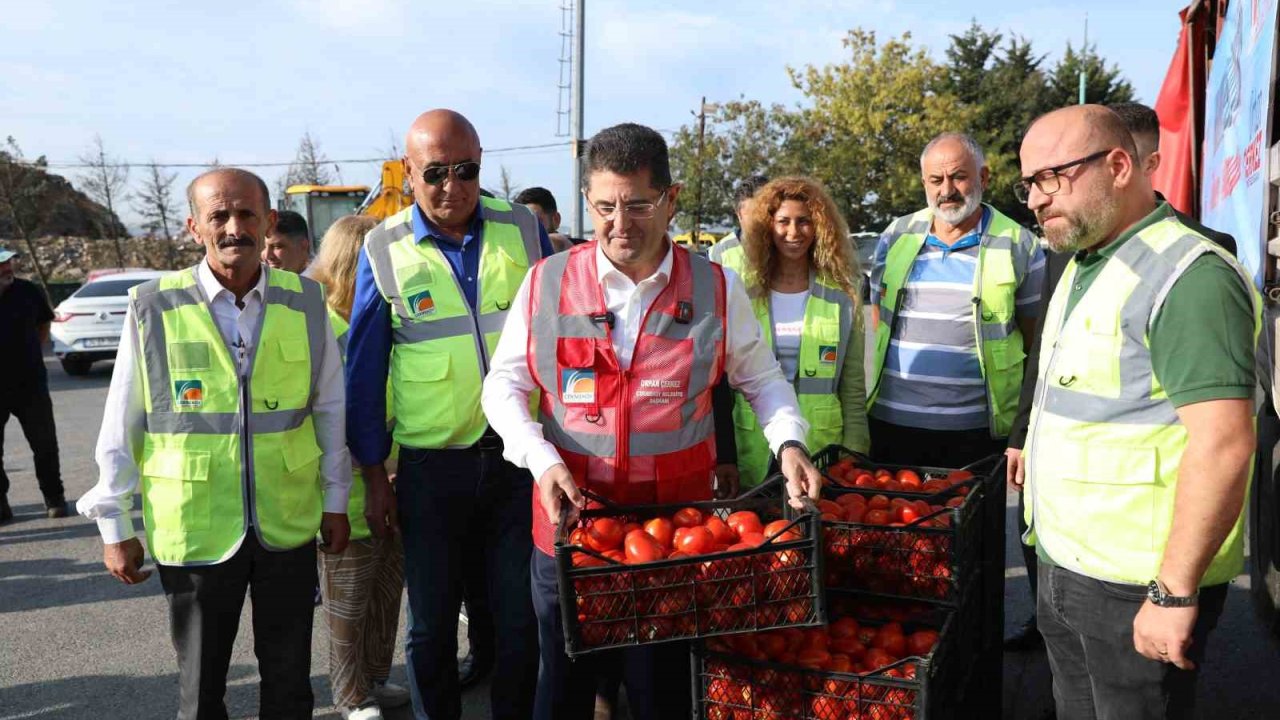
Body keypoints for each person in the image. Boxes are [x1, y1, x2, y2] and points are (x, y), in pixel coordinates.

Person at [481, 122, 823, 720]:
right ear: (588, 201)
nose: (620, 223)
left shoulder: (717, 288)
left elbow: (762, 380)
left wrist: (789, 443)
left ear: (672, 199)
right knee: (562, 690)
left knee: (662, 691)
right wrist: (542, 461)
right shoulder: (546, 282)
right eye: (605, 206)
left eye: (638, 205)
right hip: (571, 532)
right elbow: (503, 387)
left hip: (673, 539)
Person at [77, 167, 352, 718]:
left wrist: (335, 501)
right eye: (218, 216)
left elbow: (329, 411)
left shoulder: (305, 303)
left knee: (290, 685)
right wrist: (115, 524)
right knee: (201, 691)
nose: (234, 228)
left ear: (268, 221)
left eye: (247, 214)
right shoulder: (152, 306)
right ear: (194, 227)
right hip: (196, 527)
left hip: (287, 522)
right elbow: (122, 423)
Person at [1017, 104, 1257, 719]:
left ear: (1119, 165)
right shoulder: (1083, 265)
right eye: (1028, 185)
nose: (1036, 200)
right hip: (1064, 564)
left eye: (1051, 177)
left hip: (1135, 586)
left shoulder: (1189, 276)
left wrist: (1173, 592)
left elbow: (1224, 442)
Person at [345, 108, 553, 720]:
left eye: (466, 170)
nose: (451, 187)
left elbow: (561, 336)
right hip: (433, 472)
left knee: (521, 621)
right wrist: (371, 475)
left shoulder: (523, 228)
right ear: (408, 173)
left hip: (520, 465)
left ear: (481, 163)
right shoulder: (382, 249)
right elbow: (365, 372)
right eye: (434, 172)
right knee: (432, 626)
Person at [867, 132, 1044, 468]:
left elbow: (1035, 341)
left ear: (984, 177)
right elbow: (880, 318)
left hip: (977, 433)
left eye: (959, 177)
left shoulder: (1018, 244)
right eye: (936, 180)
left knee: (974, 521)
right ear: (924, 182)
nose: (946, 191)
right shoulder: (896, 235)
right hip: (892, 425)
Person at [311, 214, 409, 720]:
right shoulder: (324, 327)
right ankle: (351, 696)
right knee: (347, 605)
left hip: (392, 480)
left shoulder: (381, 321)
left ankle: (374, 677)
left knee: (386, 592)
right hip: (347, 490)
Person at [723, 176, 870, 489]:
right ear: (767, 225)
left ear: (819, 226)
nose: (793, 232)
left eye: (804, 221)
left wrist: (856, 449)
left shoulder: (843, 292)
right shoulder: (741, 289)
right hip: (754, 449)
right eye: (783, 221)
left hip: (822, 450)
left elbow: (853, 383)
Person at [0, 247, 66, 523]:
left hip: (30, 384)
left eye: (8, 262)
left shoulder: (28, 291)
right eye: (1, 264)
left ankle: (54, 498)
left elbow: (43, 324)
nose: (7, 268)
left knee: (45, 445)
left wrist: (31, 352)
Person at [707, 174, 770, 274]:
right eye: (755, 214)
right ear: (739, 214)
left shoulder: (788, 249)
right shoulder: (716, 255)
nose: (763, 219)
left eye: (768, 212)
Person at [515, 186, 573, 253]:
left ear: (556, 220)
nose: (527, 229)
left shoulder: (582, 255)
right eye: (521, 223)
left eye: (535, 221)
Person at [263, 209, 313, 274]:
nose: (267, 255)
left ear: (303, 245)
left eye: (277, 246)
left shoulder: (323, 281)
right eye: (263, 246)